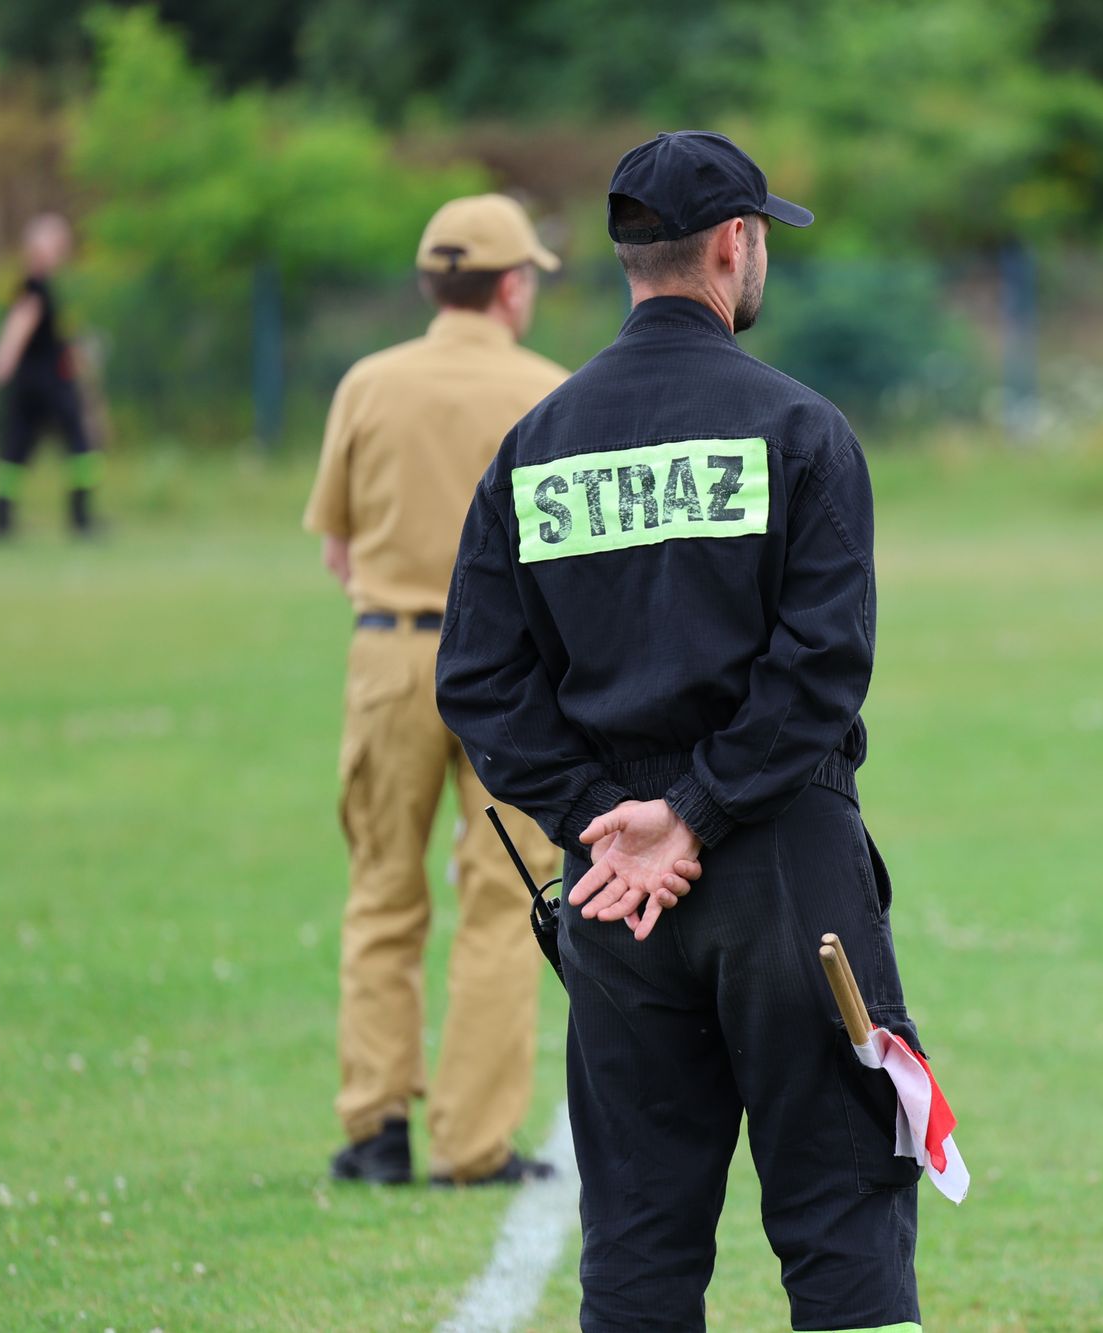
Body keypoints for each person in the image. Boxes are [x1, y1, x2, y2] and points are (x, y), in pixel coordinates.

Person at [437, 132, 926, 1332]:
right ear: (731, 244)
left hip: (613, 890)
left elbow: (480, 678)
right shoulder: (799, 428)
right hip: (782, 871)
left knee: (640, 1239)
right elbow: (819, 669)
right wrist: (696, 812)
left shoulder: (534, 447)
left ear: (624, 261)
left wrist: (601, 824)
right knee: (841, 1207)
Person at [304, 194, 567, 1188]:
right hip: (514, 676)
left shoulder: (367, 384)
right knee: (505, 897)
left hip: (390, 653)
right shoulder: (550, 391)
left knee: (380, 891)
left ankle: (374, 1128)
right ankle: (473, 1143)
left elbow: (338, 549)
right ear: (509, 286)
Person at [0, 213, 100, 540]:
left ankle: (1, 522)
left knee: (14, 450)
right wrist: (2, 358)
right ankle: (81, 519)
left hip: (28, 383)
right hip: (49, 384)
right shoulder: (35, 286)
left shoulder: (34, 285)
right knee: (81, 446)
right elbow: (21, 322)